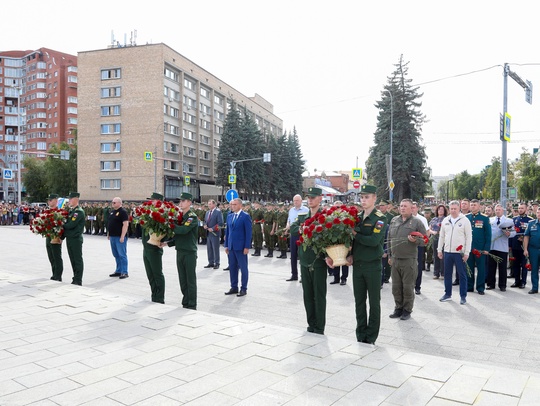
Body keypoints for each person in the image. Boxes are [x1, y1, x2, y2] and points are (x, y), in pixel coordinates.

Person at [347, 184, 387, 344]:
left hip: (372, 265)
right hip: (358, 265)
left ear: (374, 198)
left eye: (367, 197)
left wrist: (356, 234)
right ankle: (360, 333)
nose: (363, 200)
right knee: (359, 301)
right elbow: (352, 240)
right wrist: (350, 254)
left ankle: (371, 336)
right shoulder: (356, 216)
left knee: (374, 302)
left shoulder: (380, 218)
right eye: (362, 197)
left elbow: (374, 241)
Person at [290, 187, 326, 334]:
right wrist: (304, 228)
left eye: (313, 197)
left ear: (320, 198)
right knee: (307, 295)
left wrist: (304, 228)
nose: (310, 200)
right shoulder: (303, 216)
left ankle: (319, 326)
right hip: (304, 261)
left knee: (319, 295)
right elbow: (293, 229)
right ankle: (311, 324)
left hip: (318, 262)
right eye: (308, 197)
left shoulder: (325, 216)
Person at [387, 198, 426, 320]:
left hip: (409, 260)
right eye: (401, 206)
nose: (402, 208)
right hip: (395, 260)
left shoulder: (416, 222)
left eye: (405, 206)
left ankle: (407, 310)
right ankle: (398, 308)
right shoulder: (394, 220)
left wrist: (416, 240)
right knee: (396, 287)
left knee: (408, 287)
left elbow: (424, 240)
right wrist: (389, 256)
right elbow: (389, 240)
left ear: (411, 208)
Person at [166, 192, 199, 309]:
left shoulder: (192, 217)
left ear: (189, 202)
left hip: (189, 252)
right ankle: (185, 301)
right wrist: (167, 243)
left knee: (190, 279)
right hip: (180, 250)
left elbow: (184, 230)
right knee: (182, 279)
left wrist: (170, 225)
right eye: (180, 201)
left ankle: (192, 303)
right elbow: (178, 237)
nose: (180, 203)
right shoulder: (180, 216)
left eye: (183, 201)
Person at [438, 200, 473, 305]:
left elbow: (469, 237)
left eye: (455, 209)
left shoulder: (465, 220)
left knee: (462, 275)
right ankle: (447, 294)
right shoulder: (446, 220)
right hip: (448, 251)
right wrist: (439, 249)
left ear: (459, 209)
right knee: (447, 274)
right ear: (449, 209)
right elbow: (442, 236)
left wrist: (467, 252)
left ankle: (463, 296)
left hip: (460, 252)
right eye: (451, 209)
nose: (453, 211)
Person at [224, 198, 252, 297]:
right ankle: (234, 287)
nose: (232, 206)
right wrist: (226, 245)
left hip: (241, 247)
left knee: (243, 268)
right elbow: (227, 232)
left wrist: (247, 246)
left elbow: (248, 233)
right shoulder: (230, 216)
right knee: (232, 267)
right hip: (231, 247)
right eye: (231, 204)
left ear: (240, 205)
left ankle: (243, 288)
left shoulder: (245, 216)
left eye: (234, 204)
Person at [142, 192, 166, 304]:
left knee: (157, 274)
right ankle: (154, 295)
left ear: (159, 201)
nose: (150, 202)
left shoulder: (163, 214)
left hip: (154, 248)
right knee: (150, 274)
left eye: (153, 200)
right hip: (146, 247)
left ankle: (159, 298)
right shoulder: (149, 213)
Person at [486, 205, 515, 292]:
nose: (498, 211)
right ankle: (491, 284)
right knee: (491, 266)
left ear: (503, 210)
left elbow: (514, 232)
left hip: (502, 247)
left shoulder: (509, 220)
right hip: (492, 246)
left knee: (502, 268)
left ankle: (502, 285)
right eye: (496, 210)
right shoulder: (490, 220)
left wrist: (509, 234)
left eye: (499, 210)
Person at [465, 199, 491, 295]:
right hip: (468, 247)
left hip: (480, 248)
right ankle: (469, 286)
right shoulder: (466, 217)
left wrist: (486, 248)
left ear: (479, 206)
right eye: (471, 205)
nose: (473, 206)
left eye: (475, 205)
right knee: (469, 267)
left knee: (481, 268)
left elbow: (488, 234)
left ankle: (480, 288)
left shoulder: (484, 218)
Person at [63, 192, 86, 286]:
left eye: (70, 199)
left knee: (77, 259)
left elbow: (71, 224)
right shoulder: (72, 211)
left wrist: (61, 225)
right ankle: (75, 277)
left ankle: (78, 279)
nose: (69, 201)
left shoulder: (79, 212)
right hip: (70, 238)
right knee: (72, 259)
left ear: (76, 199)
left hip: (75, 239)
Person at [285, 194, 309, 282]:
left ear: (301, 201)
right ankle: (294, 274)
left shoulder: (306, 210)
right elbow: (289, 220)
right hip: (293, 234)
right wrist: (287, 227)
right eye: (294, 200)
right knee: (293, 255)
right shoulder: (291, 210)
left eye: (297, 200)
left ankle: (303, 276)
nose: (295, 202)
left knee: (302, 255)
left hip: (302, 235)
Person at [511, 203, 533, 289]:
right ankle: (516, 281)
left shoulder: (530, 220)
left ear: (526, 209)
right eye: (519, 208)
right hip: (515, 245)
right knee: (515, 264)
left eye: (522, 208)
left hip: (524, 246)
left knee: (524, 264)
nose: (520, 210)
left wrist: (524, 239)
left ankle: (523, 282)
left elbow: (531, 233)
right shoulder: (514, 219)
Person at [107, 197, 129, 279]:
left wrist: (123, 236)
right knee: (116, 254)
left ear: (120, 203)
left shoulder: (123, 212)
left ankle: (124, 272)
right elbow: (110, 223)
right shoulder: (112, 212)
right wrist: (109, 233)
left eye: (114, 202)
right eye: (112, 202)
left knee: (122, 254)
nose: (113, 204)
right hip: (113, 236)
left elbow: (125, 224)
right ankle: (118, 270)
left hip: (119, 237)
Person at [46, 193, 64, 282]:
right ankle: (54, 273)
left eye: (50, 200)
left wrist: (61, 237)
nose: (48, 202)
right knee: (51, 256)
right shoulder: (47, 211)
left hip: (55, 237)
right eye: (48, 200)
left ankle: (58, 275)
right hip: (48, 236)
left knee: (56, 256)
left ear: (56, 201)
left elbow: (62, 226)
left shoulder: (59, 212)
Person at [412, 202, 429, 295]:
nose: (412, 209)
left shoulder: (422, 219)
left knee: (418, 266)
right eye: (411, 207)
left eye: (414, 208)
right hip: (408, 245)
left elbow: (426, 233)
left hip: (419, 245)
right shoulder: (406, 218)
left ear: (417, 208)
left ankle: (417, 286)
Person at [378, 199, 395, 285]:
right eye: (380, 206)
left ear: (387, 206)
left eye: (383, 206)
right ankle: (381, 278)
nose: (381, 207)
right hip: (378, 239)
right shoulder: (377, 215)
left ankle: (386, 276)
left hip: (387, 239)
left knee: (387, 261)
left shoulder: (391, 216)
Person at [524, 207, 540, 294]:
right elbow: (526, 237)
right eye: (538, 212)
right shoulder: (531, 224)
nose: (539, 214)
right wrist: (525, 249)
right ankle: (535, 288)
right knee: (534, 269)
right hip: (533, 249)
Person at [203, 199, 223, 269]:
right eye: (208, 204)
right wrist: (205, 225)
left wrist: (213, 228)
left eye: (210, 204)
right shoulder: (207, 212)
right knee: (209, 248)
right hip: (208, 233)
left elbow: (220, 223)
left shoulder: (218, 212)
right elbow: (205, 221)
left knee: (215, 249)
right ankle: (210, 262)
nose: (209, 205)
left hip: (215, 233)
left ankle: (217, 263)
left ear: (214, 204)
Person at [429, 204, 447, 279]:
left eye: (442, 209)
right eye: (439, 209)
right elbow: (429, 228)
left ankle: (443, 273)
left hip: (443, 239)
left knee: (443, 256)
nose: (440, 211)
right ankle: (436, 273)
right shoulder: (434, 219)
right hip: (435, 238)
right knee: (435, 255)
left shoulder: (446, 219)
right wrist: (433, 232)